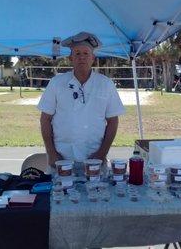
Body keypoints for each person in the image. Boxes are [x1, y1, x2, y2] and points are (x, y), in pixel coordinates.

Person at [37, 32, 125, 170]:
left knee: (96, 191)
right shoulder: (56, 83)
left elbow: (113, 121)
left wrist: (102, 154)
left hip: (95, 158)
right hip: (61, 158)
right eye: (77, 53)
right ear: (70, 58)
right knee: (59, 191)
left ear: (93, 58)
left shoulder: (106, 84)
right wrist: (51, 153)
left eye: (86, 53)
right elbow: (45, 119)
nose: (81, 57)